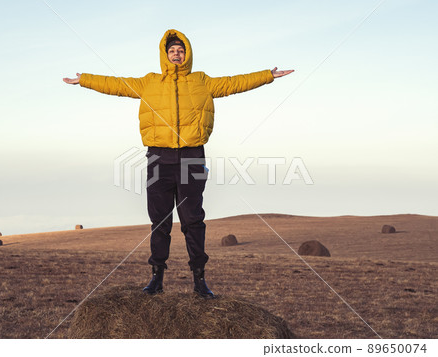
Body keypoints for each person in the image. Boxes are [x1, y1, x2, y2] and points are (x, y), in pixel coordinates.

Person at [63, 29, 293, 299]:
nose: (176, 54)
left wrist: (267, 76)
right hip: (158, 158)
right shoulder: (149, 83)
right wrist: (85, 80)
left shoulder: (202, 81)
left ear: (187, 55)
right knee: (159, 222)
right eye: (172, 50)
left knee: (193, 221)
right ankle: (156, 279)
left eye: (180, 50)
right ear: (165, 54)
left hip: (192, 156)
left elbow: (234, 83)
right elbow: (117, 84)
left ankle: (200, 281)